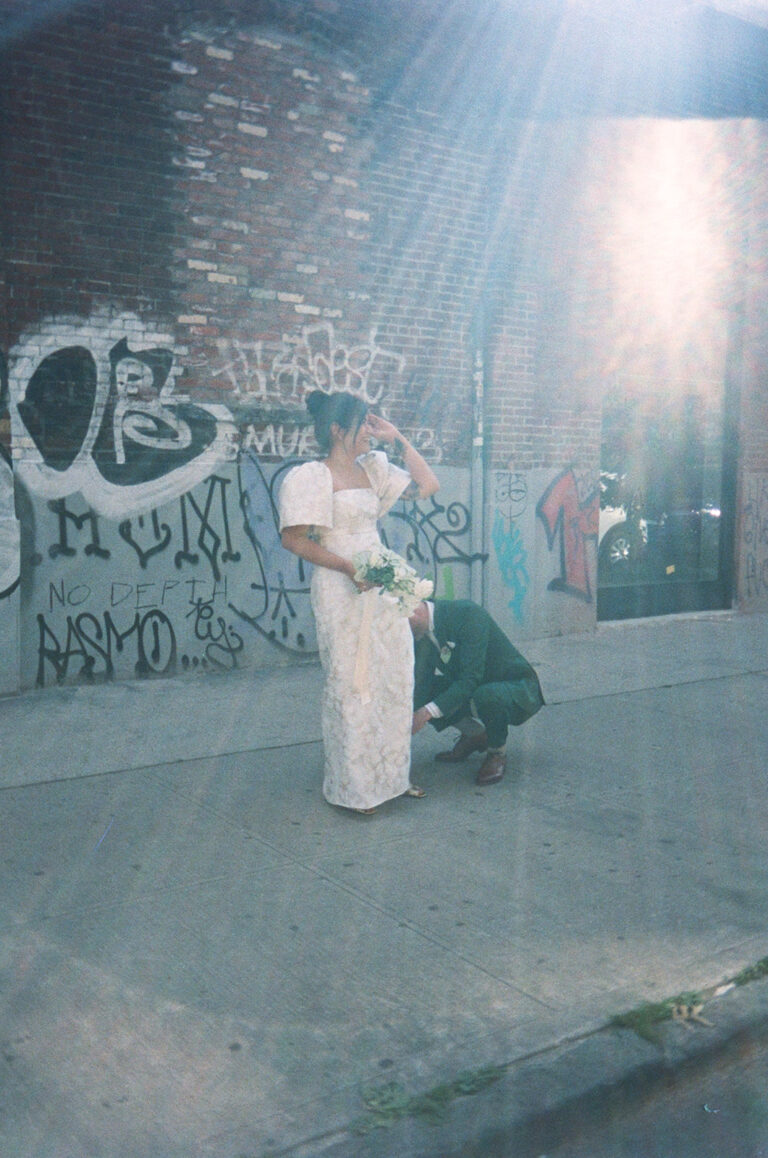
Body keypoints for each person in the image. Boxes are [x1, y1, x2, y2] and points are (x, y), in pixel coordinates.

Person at [279, 390, 440, 814]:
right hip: (341, 587)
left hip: (381, 586)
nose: (370, 432)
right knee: (353, 685)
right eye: (363, 424)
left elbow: (427, 486)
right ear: (336, 429)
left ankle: (391, 779)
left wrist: (396, 437)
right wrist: (349, 567)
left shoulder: (375, 469)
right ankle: (354, 790)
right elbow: (293, 539)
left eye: (373, 423)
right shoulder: (310, 477)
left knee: (393, 679)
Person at [410, 599, 545, 785]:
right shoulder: (421, 632)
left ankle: (497, 752)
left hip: (514, 686)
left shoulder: (468, 614)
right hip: (476, 685)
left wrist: (425, 714)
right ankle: (475, 735)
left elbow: (469, 679)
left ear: (413, 611)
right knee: (429, 693)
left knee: (487, 696)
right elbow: (422, 681)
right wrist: (410, 714)